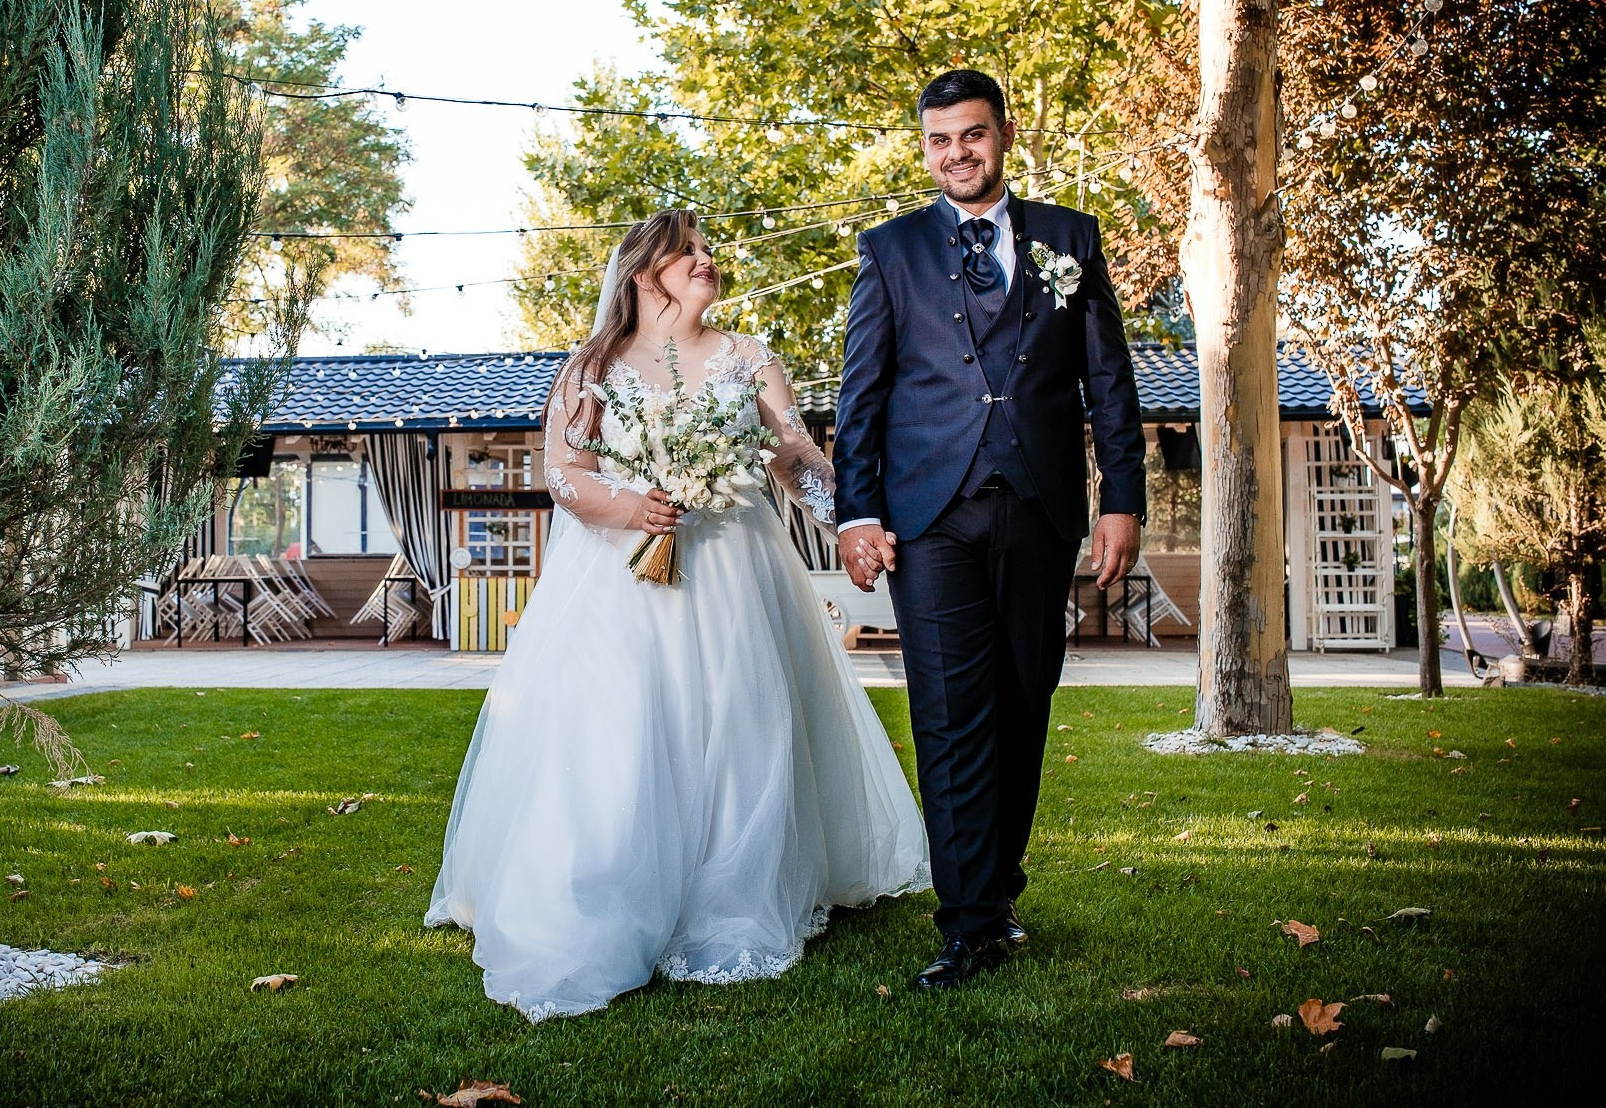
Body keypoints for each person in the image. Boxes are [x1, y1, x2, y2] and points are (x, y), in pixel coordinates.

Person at [425, 209, 928, 1022]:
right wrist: (631, 505)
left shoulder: (749, 358)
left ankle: (731, 890)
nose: (704, 260)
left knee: (741, 722)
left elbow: (794, 454)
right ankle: (604, 885)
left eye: (703, 250)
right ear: (641, 275)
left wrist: (846, 514)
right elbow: (562, 472)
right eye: (684, 253)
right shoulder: (591, 365)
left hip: (734, 568)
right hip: (620, 578)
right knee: (619, 730)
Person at [834, 68, 1146, 990]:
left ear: (1004, 134)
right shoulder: (890, 251)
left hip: (1041, 509)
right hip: (929, 519)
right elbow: (863, 397)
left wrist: (1122, 498)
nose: (955, 154)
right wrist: (858, 511)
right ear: (924, 148)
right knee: (948, 712)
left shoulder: (1068, 239)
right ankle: (966, 922)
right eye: (938, 141)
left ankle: (997, 888)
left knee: (1023, 701)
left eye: (971, 135)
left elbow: (1111, 383)